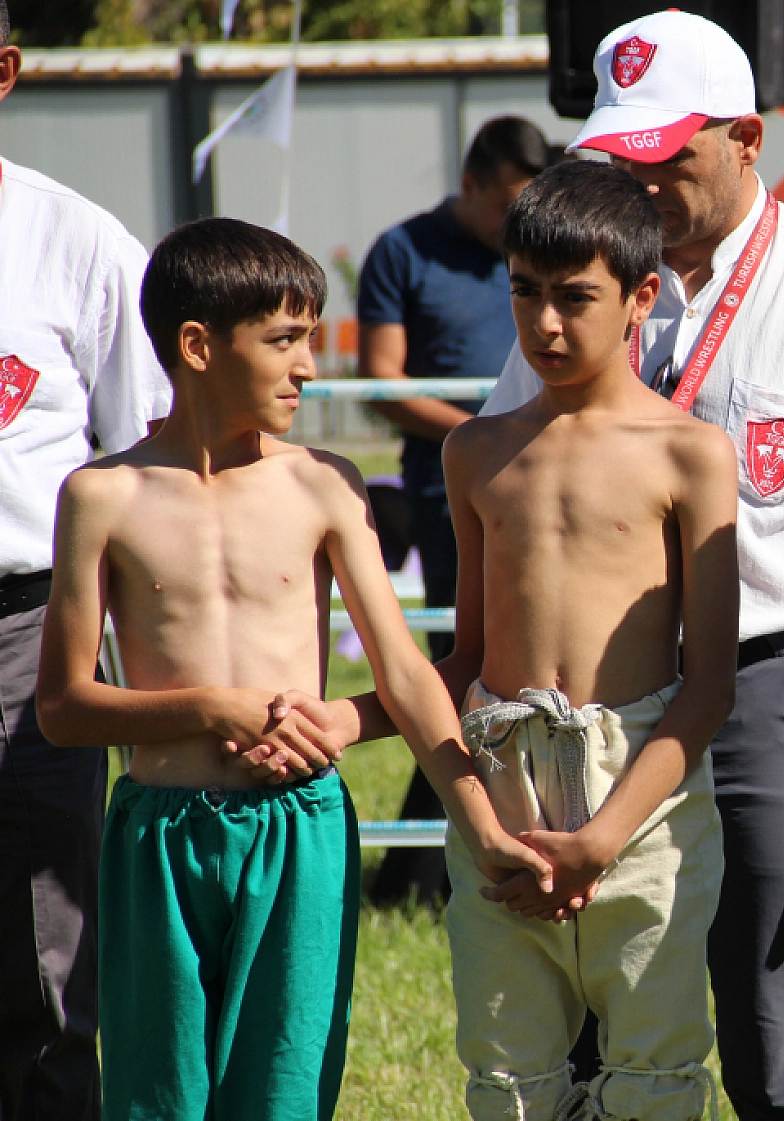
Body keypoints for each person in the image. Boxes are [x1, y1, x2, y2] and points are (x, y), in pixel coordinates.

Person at [479, 13, 784, 1118]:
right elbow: (504, 480)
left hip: (768, 687)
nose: (636, 185)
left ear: (746, 135)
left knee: (768, 991)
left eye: (665, 158)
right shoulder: (572, 289)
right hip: (586, 701)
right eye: (615, 159)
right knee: (587, 991)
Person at [33, 218, 553, 1121]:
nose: (309, 365)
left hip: (299, 829)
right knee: (159, 1094)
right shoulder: (101, 495)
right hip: (160, 836)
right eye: (284, 340)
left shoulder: (325, 484)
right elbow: (63, 706)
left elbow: (405, 673)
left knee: (286, 1089)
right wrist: (210, 709)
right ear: (196, 345)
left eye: (310, 337)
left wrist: (476, 820)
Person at [421, 158, 735, 1121]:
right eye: (524, 292)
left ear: (643, 296)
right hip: (500, 787)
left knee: (654, 1073)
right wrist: (475, 815)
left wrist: (604, 835)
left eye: (575, 298)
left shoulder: (690, 453)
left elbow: (709, 680)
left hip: (641, 788)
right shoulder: (477, 451)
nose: (546, 324)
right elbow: (464, 660)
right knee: (510, 1077)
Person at [0, 7, 174, 1115]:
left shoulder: (80, 243)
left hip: (26, 632)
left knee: (40, 940)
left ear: (5, 72)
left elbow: (148, 459)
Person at [358, 114, 548, 906]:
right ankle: (430, 867)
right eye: (507, 206)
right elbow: (382, 380)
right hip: (449, 495)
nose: (518, 226)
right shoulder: (402, 250)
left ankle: (422, 870)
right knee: (465, 674)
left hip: (546, 488)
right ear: (469, 184)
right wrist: (485, 434)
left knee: (524, 672)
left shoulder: (537, 248)